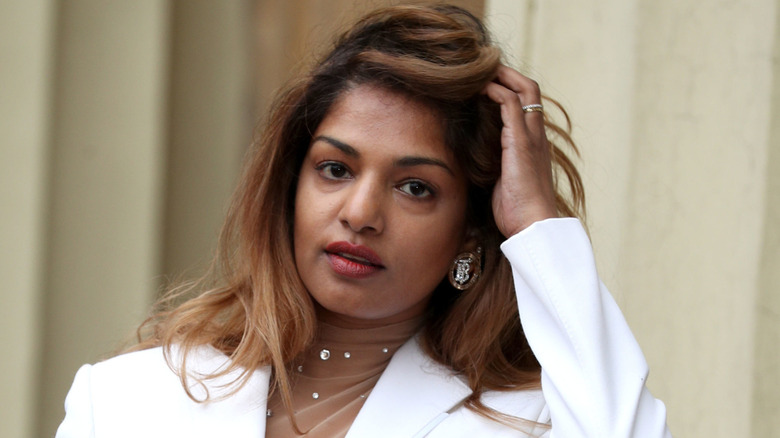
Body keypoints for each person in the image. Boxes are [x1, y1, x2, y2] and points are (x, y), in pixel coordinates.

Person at [56, 4, 672, 437]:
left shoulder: (528, 422)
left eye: (414, 187)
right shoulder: (125, 401)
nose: (360, 213)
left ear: (470, 231)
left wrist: (537, 225)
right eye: (335, 169)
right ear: (289, 187)